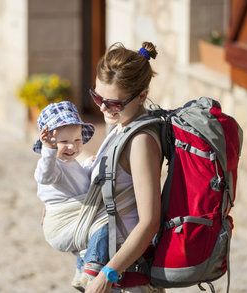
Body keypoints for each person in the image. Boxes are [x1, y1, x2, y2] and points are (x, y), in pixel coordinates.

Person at [82, 41, 165, 293]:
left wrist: (108, 274)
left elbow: (150, 221)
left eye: (114, 103)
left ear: (141, 95)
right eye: (97, 97)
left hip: (127, 280)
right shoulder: (120, 127)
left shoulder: (141, 142)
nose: (103, 108)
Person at [32, 101, 110, 290]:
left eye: (77, 140)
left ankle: (80, 270)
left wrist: (89, 166)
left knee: (90, 232)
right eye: (63, 142)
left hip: (77, 216)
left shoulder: (71, 163)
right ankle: (92, 270)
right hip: (63, 221)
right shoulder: (51, 165)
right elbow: (45, 176)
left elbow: (80, 182)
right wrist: (48, 151)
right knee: (105, 225)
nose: (71, 147)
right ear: (49, 142)